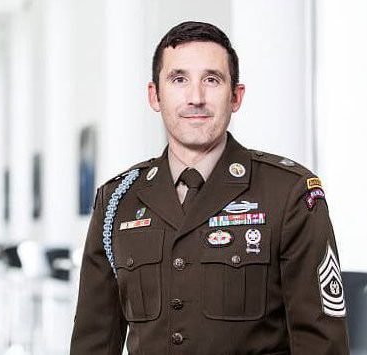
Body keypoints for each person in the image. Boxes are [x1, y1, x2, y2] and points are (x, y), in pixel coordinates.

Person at [70, 21, 349, 354]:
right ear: (154, 95)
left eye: (212, 80)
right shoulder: (117, 201)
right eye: (178, 80)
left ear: (235, 96)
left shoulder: (289, 194)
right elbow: (93, 341)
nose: (196, 98)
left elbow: (322, 345)